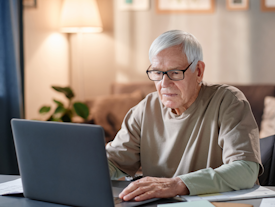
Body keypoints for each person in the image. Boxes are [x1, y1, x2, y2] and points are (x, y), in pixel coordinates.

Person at [106, 30, 263, 202]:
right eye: (157, 72)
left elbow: (245, 170)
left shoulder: (228, 101)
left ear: (199, 71)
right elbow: (113, 162)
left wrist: (176, 184)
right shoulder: (144, 109)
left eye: (174, 72)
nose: (164, 83)